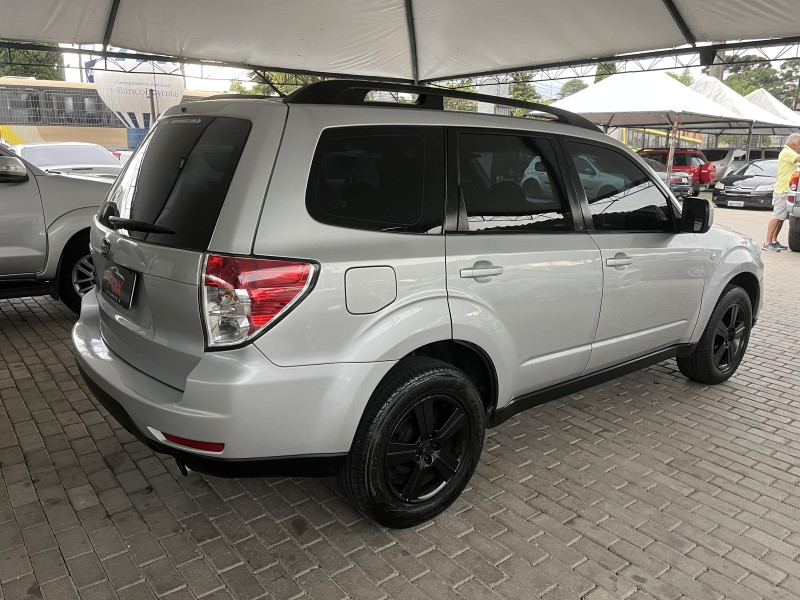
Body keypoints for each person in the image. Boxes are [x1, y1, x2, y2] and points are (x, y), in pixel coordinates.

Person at [763, 133, 800, 251]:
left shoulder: (789, 152)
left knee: (781, 218)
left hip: (786, 190)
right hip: (782, 190)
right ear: (794, 144)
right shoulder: (788, 152)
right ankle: (767, 242)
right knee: (777, 217)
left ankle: (774, 241)